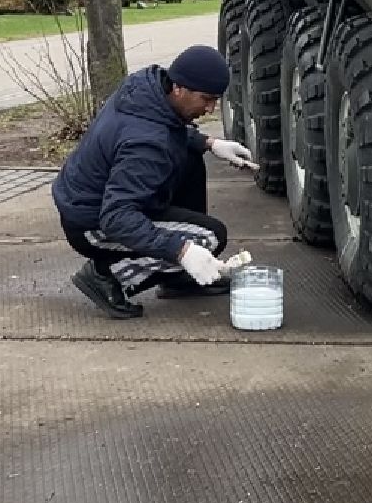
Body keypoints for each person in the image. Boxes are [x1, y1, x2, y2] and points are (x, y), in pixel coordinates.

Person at [53, 44, 258, 319]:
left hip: (93, 199)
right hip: (93, 223)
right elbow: (116, 218)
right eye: (206, 99)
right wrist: (182, 251)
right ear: (179, 89)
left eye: (215, 101)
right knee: (210, 237)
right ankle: (105, 276)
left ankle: (177, 280)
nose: (210, 109)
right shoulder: (145, 145)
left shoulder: (146, 88)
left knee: (189, 157)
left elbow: (167, 127)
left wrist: (209, 143)